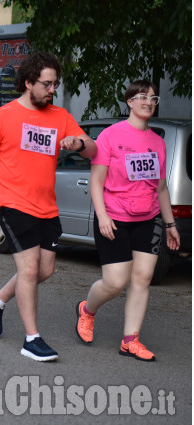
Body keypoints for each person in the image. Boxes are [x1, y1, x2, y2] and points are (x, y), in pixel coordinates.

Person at [0, 52, 97, 362]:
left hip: (47, 207)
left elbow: (93, 149)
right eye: (46, 84)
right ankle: (31, 339)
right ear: (28, 82)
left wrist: (77, 144)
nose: (52, 89)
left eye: (55, 84)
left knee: (45, 270)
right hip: (12, 203)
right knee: (28, 269)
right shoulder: (2, 117)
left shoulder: (61, 117)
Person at [75, 81, 180, 361]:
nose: (149, 102)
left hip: (148, 218)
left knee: (142, 279)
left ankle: (130, 340)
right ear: (129, 102)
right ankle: (87, 310)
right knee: (114, 282)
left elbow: (160, 188)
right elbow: (97, 182)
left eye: (153, 98)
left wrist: (170, 225)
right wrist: (103, 216)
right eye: (143, 97)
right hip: (114, 216)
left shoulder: (158, 142)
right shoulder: (110, 136)